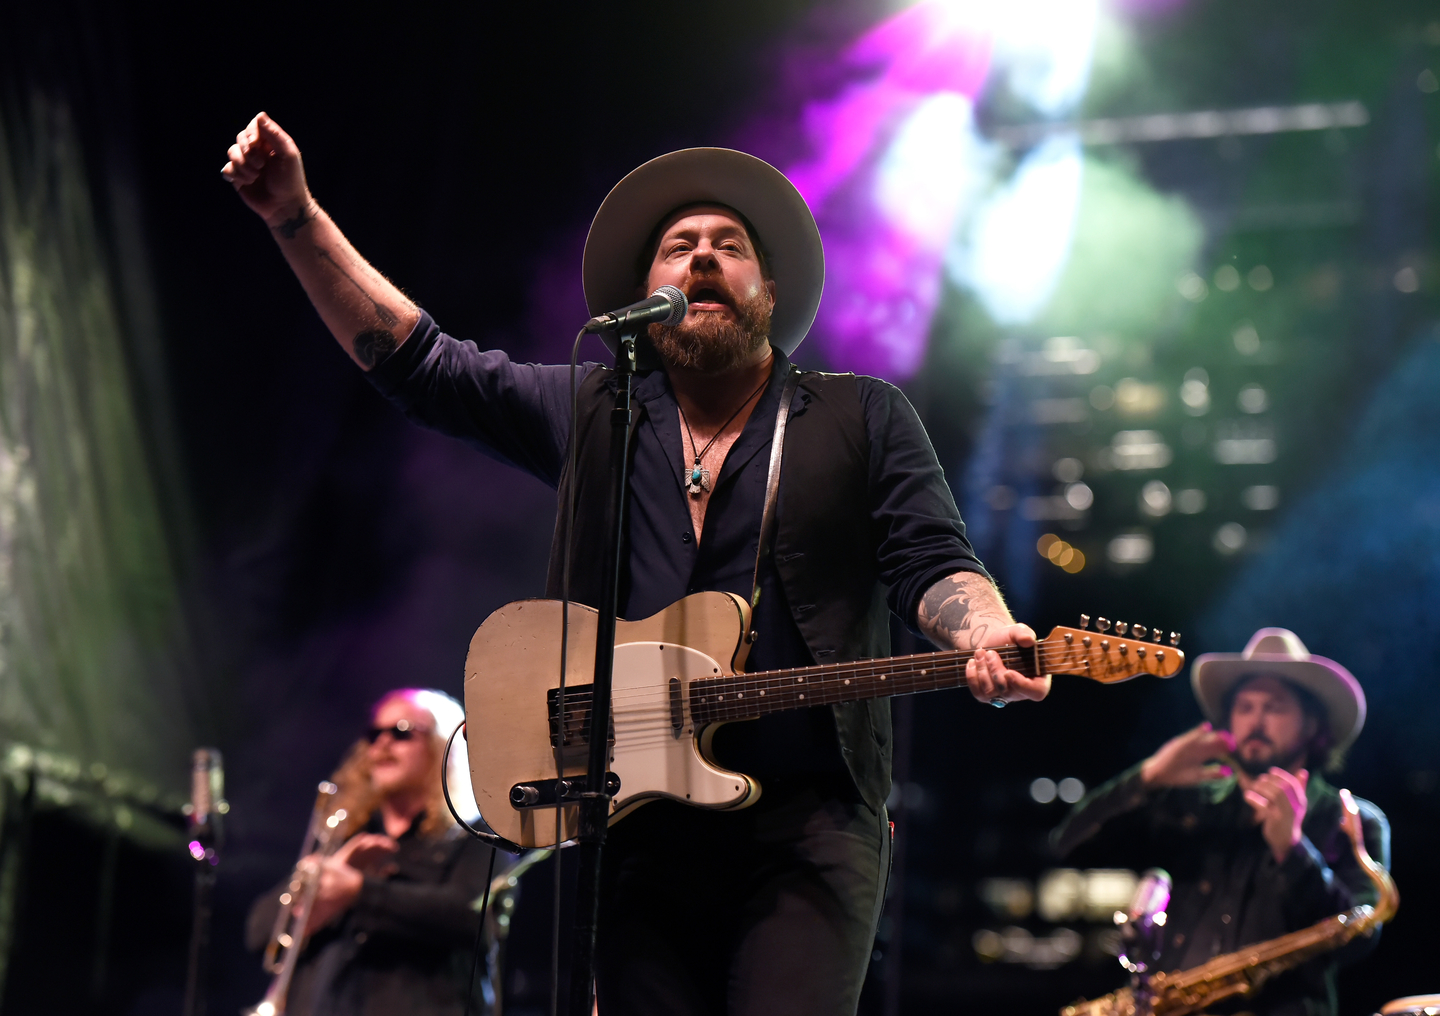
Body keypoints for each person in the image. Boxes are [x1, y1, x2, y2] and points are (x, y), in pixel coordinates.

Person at [223, 112, 1050, 1016]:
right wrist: (295, 218)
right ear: (645, 291)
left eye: (729, 247)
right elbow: (425, 367)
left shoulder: (860, 417)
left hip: (809, 820)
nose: (701, 259)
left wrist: (981, 627)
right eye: (679, 247)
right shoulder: (596, 408)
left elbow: (930, 559)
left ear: (767, 290)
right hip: (633, 819)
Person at [1052, 628, 1391, 1016]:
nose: (1256, 720)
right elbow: (1069, 845)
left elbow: (1358, 941)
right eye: (1244, 707)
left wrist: (1292, 850)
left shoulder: (1351, 819)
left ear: (1313, 726)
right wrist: (1149, 776)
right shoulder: (1194, 807)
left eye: (1274, 706)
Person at [246, 689, 500, 1016]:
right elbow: (257, 932)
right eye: (374, 733)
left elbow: (474, 916)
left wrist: (358, 891)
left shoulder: (473, 835)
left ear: (443, 749)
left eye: (402, 731)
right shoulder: (346, 840)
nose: (382, 744)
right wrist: (317, 885)